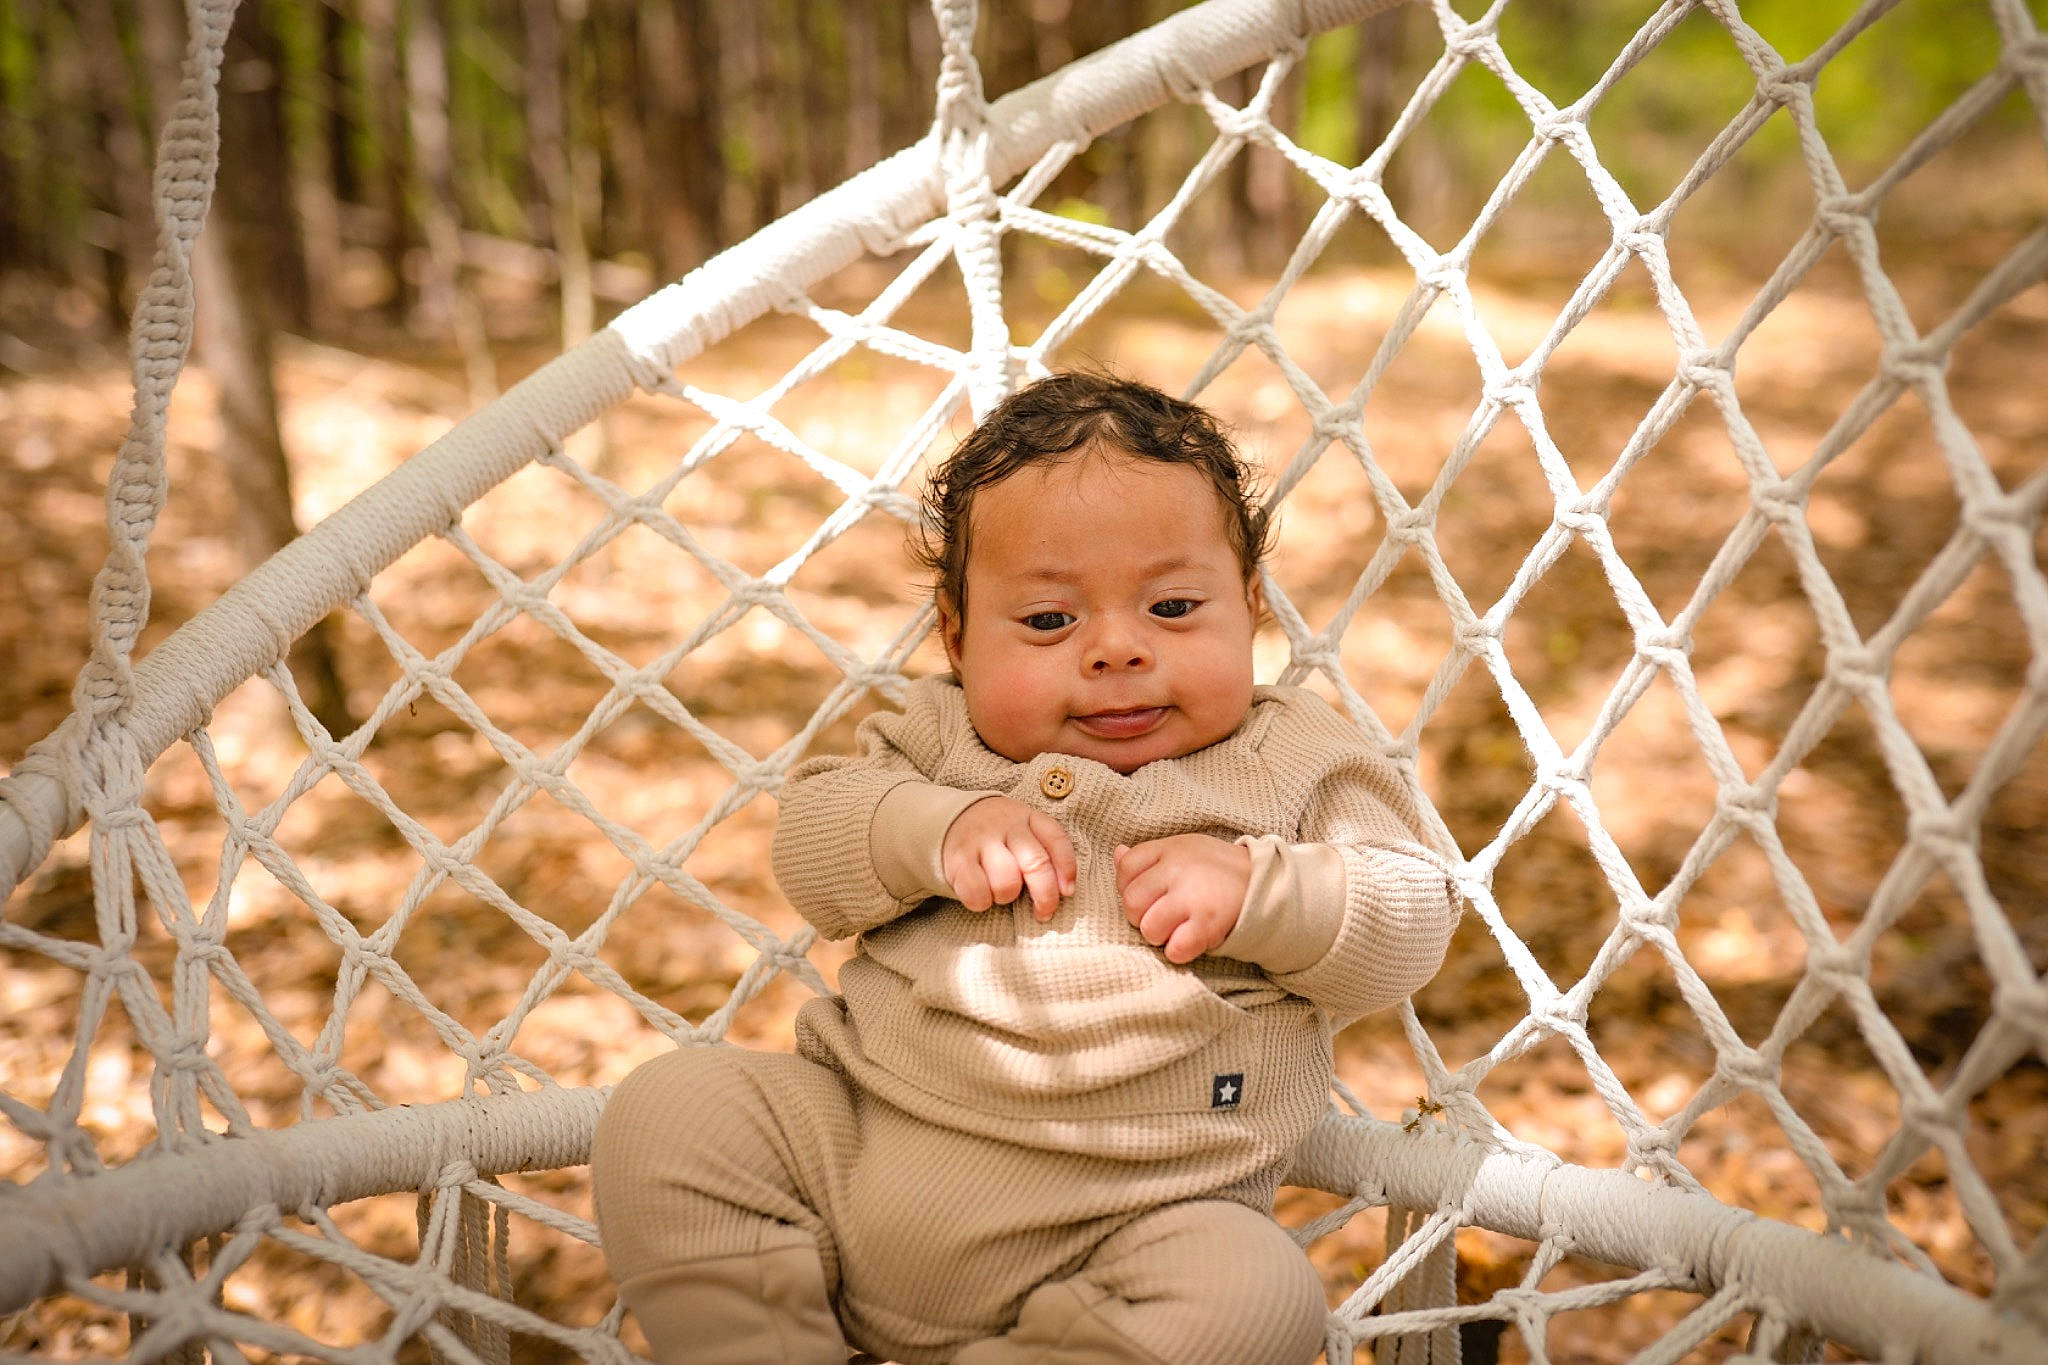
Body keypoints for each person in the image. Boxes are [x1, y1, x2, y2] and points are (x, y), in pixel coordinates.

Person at [592, 372, 1462, 1365]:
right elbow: (812, 847)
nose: (1115, 650)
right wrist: (933, 828)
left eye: (1173, 607)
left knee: (1255, 1295)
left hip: (1135, 1231)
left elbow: (1408, 918)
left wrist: (1259, 891)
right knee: (675, 1108)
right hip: (860, 1156)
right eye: (1049, 622)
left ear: (1251, 608)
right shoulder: (935, 737)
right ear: (957, 640)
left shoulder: (1293, 758)